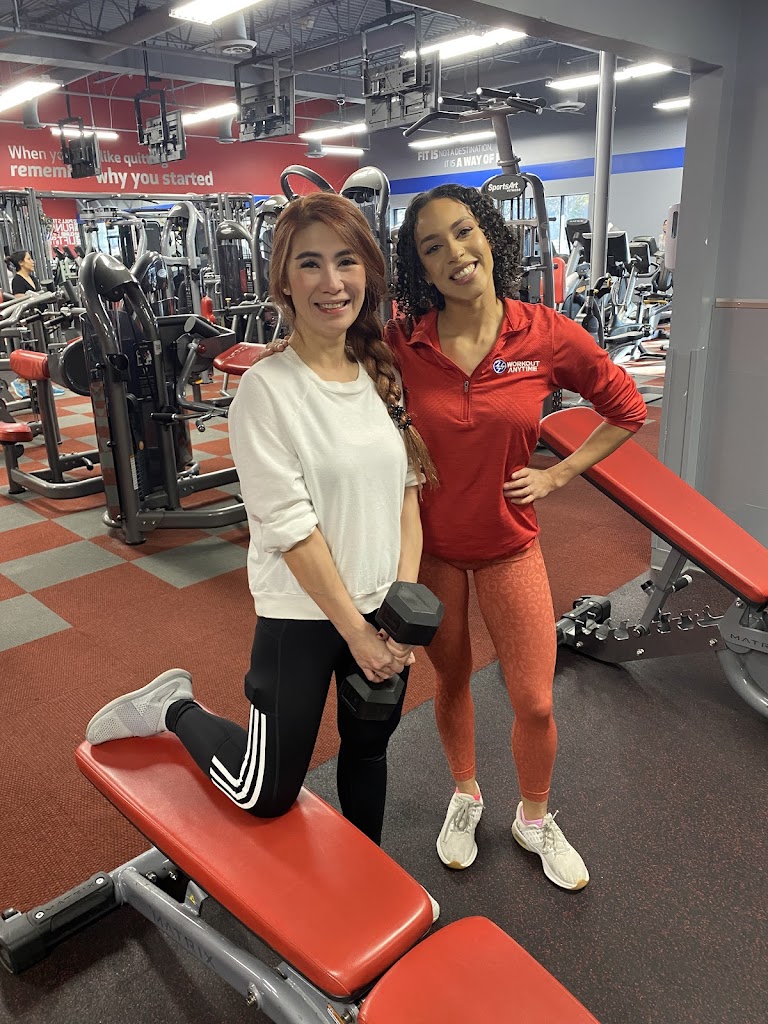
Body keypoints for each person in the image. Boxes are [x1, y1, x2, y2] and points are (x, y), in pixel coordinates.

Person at [84, 193, 440, 861]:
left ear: (367, 272)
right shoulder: (266, 390)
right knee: (265, 790)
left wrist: (400, 614)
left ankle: (366, 879)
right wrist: (357, 633)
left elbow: (407, 503)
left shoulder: (380, 373)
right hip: (302, 613)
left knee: (369, 750)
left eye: (346, 261)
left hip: (380, 611)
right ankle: (173, 707)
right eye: (310, 264)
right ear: (283, 281)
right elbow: (291, 530)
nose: (331, 282)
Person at [383, 183, 647, 891]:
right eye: (431, 247)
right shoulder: (405, 341)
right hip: (433, 551)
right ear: (421, 268)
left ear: (489, 236)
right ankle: (465, 793)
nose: (454, 253)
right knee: (451, 679)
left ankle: (533, 817)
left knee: (535, 699)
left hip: (510, 545)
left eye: (463, 232)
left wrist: (559, 476)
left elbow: (626, 408)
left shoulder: (545, 333)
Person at [5, 250, 40, 400]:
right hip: (27, 321)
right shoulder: (18, 281)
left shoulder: (33, 278)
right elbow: (22, 303)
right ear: (21, 263)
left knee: (41, 351)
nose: (32, 261)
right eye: (29, 259)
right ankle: (20, 381)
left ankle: (42, 382)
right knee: (30, 351)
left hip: (39, 319)